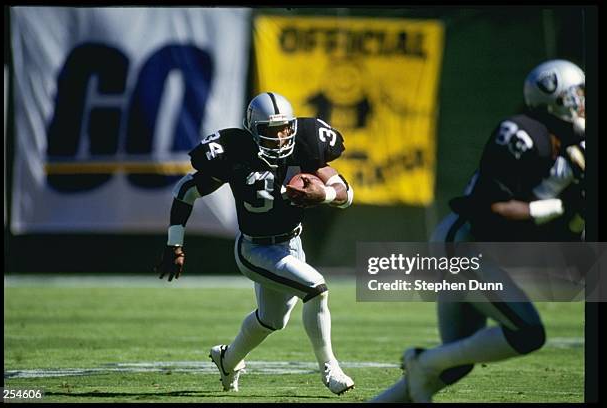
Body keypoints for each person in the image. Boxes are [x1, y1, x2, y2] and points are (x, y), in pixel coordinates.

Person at [371, 59, 585, 402]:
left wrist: (575, 214)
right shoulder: (522, 133)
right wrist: (562, 206)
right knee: (527, 333)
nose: (584, 101)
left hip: (471, 248)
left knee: (456, 362)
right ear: (559, 97)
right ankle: (421, 362)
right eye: (579, 93)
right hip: (463, 244)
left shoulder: (569, 144)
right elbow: (490, 209)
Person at [154, 92, 355, 395]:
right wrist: (174, 244)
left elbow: (345, 191)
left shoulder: (306, 144)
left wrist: (324, 195)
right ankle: (330, 368)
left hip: (292, 245)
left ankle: (228, 358)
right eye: (271, 131)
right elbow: (187, 190)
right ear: (253, 130)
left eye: (285, 128)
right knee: (316, 288)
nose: (280, 137)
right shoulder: (236, 152)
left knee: (272, 320)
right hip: (256, 249)